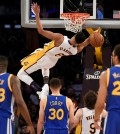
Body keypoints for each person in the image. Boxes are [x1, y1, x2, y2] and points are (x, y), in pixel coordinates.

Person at [17, 2, 100, 99]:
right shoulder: (74, 50)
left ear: (74, 34)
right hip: (52, 62)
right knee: (45, 67)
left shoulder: (60, 38)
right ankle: (45, 85)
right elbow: (85, 43)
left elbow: (40, 31)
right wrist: (94, 35)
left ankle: (38, 90)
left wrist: (37, 14)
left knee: (20, 74)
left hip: (43, 57)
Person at [0, 55, 35, 134]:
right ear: (6, 65)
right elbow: (19, 102)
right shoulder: (12, 79)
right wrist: (30, 124)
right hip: (4, 119)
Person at [94, 44, 120, 134]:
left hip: (114, 116)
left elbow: (100, 102)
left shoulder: (106, 74)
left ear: (116, 57)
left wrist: (96, 118)